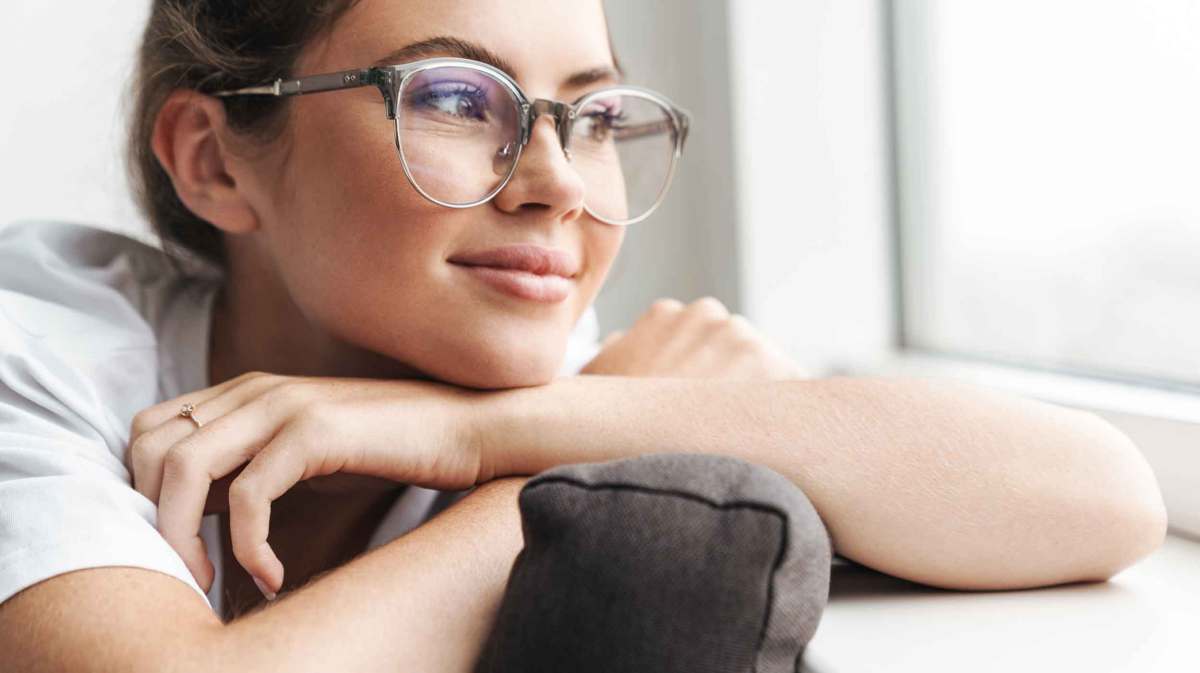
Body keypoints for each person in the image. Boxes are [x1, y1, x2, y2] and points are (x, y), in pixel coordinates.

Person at [0, 0, 1168, 671]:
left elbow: (1105, 497)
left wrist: (503, 430)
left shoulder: (569, 374)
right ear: (213, 159)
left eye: (595, 116)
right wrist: (549, 471)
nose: (557, 182)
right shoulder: (39, 348)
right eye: (457, 99)